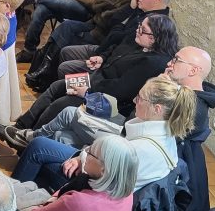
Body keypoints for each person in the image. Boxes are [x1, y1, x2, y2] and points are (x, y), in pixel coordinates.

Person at [11, 74, 195, 192]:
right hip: (99, 168)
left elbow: (102, 177)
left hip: (94, 189)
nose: (134, 100)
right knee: (59, 137)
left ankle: (10, 201)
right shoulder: (163, 133)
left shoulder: (143, 148)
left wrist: (82, 159)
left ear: (157, 108)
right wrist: (82, 156)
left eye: (140, 98)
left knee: (38, 148)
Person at [10, 14, 180, 134]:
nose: (137, 31)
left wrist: (88, 91)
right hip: (95, 81)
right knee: (57, 86)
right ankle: (22, 125)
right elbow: (115, 50)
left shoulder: (152, 62)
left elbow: (120, 89)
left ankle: (32, 135)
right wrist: (102, 59)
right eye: (139, 27)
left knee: (62, 103)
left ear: (154, 38)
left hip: (109, 101)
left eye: (142, 30)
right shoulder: (138, 43)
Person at [25, 0, 169, 89]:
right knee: (65, 48)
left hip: (103, 72)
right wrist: (128, 10)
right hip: (104, 55)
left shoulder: (154, 26)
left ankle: (60, 89)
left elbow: (116, 37)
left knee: (64, 71)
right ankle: (51, 82)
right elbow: (114, 28)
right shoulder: (138, 9)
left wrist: (102, 60)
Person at [164, 46, 215, 211]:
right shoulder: (184, 95)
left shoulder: (193, 106)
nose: (170, 63)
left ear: (193, 70)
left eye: (176, 60)